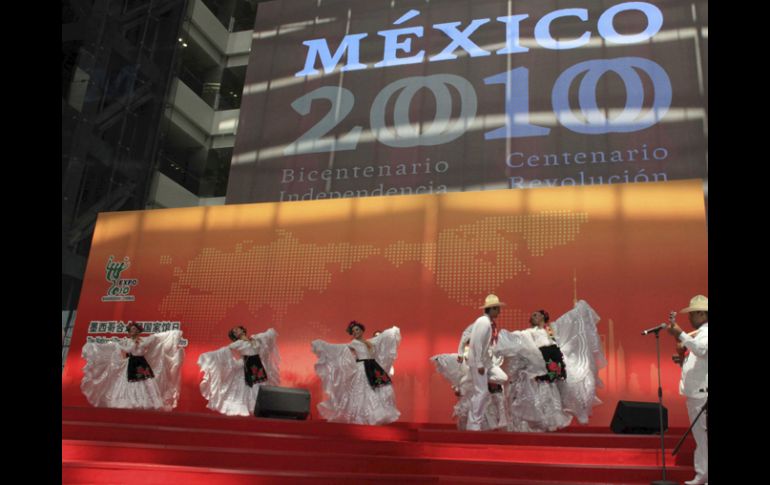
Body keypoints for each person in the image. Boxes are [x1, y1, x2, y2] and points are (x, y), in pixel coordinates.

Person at [495, 300, 606, 432]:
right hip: (532, 375)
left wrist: (578, 312)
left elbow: (561, 337)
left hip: (546, 375)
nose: (534, 317)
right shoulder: (527, 333)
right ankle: (528, 431)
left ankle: (545, 431)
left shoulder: (550, 331)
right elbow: (520, 345)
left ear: (543, 317)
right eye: (533, 315)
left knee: (548, 405)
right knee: (531, 405)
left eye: (537, 315)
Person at [312, 321, 401, 425]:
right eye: (353, 331)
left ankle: (373, 416)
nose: (355, 332)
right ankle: (362, 418)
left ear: (362, 330)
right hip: (362, 369)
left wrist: (392, 331)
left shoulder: (369, 342)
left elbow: (381, 339)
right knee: (362, 392)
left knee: (378, 391)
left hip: (373, 369)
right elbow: (339, 348)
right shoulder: (353, 344)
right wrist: (323, 345)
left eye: (357, 330)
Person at [81, 323, 185, 411]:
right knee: (128, 383)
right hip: (132, 363)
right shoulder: (128, 342)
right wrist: (131, 345)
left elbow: (155, 338)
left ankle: (146, 402)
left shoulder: (144, 340)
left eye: (135, 329)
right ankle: (129, 401)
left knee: (147, 383)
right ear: (129, 332)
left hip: (142, 363)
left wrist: (172, 334)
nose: (133, 331)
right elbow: (125, 349)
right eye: (131, 330)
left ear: (138, 331)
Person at [666, 295, 708, 485]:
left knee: (704, 437)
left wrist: (681, 334)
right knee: (701, 438)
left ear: (701, 313)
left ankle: (703, 475)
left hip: (702, 393)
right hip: (696, 392)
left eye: (692, 314)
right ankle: (702, 475)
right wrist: (682, 358)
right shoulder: (699, 333)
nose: (690, 318)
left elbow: (701, 350)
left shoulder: (705, 334)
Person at [197, 326, 280, 416]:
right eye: (234, 331)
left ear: (242, 330)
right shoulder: (238, 343)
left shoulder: (255, 338)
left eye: (237, 329)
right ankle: (252, 410)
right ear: (234, 336)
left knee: (260, 387)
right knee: (247, 389)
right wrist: (210, 356)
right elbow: (224, 351)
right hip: (247, 366)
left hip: (258, 366)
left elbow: (265, 340)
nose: (237, 330)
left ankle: (263, 409)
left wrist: (269, 333)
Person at [465, 294, 509, 431]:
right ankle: (474, 425)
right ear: (492, 309)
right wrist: (479, 364)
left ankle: (475, 380)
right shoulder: (483, 322)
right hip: (480, 362)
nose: (499, 312)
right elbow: (477, 343)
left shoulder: (488, 323)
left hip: (486, 361)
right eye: (497, 309)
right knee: (482, 392)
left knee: (502, 378)